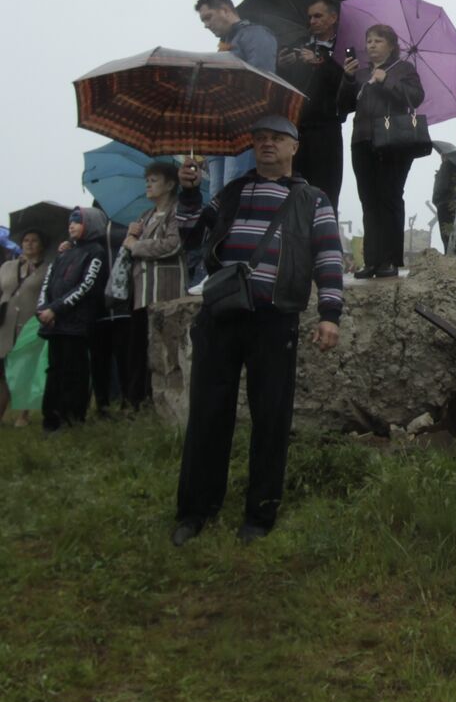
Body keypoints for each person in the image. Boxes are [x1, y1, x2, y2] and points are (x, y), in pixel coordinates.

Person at [171, 114, 343, 546]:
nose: (267, 144)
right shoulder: (230, 192)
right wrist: (189, 191)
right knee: (208, 413)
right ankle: (195, 511)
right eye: (260, 138)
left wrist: (329, 313)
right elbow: (190, 237)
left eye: (277, 138)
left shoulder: (314, 200)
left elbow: (328, 256)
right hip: (222, 316)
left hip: (275, 317)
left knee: (271, 417)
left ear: (294, 147)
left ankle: (260, 514)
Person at [340, 24, 426, 278]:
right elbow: (342, 107)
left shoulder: (404, 69)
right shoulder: (361, 73)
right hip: (362, 141)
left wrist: (386, 80)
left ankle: (389, 260)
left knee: (389, 197)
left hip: (393, 142)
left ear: (391, 45)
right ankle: (372, 261)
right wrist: (346, 79)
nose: (372, 45)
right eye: (369, 41)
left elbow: (416, 97)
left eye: (378, 40)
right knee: (369, 200)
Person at [35, 208, 111, 433]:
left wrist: (56, 309)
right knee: (54, 370)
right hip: (54, 324)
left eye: (77, 222)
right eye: (70, 222)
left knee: (74, 372)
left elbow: (86, 286)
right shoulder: (63, 253)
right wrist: (43, 309)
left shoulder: (96, 252)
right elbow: (47, 283)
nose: (72, 225)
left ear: (91, 224)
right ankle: (51, 419)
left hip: (76, 325)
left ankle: (72, 419)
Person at [195, 0, 279, 190]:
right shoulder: (225, 44)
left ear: (225, 10)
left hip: (243, 125)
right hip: (220, 129)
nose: (206, 25)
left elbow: (262, 81)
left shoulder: (255, 34)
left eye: (208, 17)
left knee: (235, 188)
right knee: (217, 195)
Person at [123, 161, 187, 406]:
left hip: (166, 292)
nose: (148, 185)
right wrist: (131, 236)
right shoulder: (144, 216)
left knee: (165, 351)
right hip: (142, 293)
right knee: (139, 350)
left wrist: (136, 245)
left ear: (170, 184)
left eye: (154, 180)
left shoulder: (177, 211)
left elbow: (173, 244)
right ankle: (138, 401)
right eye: (147, 180)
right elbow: (129, 250)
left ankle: (164, 400)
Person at [277, 0, 347, 210]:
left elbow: (347, 87)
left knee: (325, 193)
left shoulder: (344, 48)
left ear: (333, 18)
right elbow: (285, 86)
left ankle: (323, 240)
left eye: (318, 16)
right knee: (292, 191)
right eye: (310, 17)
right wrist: (283, 66)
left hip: (327, 129)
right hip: (296, 128)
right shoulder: (300, 44)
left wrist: (321, 62)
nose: (313, 21)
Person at [0, 228, 50, 425]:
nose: (29, 243)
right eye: (26, 240)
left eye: (34, 240)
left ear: (42, 245)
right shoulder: (7, 266)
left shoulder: (48, 268)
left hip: (29, 325)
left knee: (26, 368)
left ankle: (23, 415)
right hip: (5, 324)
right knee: (2, 371)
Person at [89, 210, 132, 417]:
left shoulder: (129, 219)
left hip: (124, 303)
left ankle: (128, 401)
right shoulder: (95, 218)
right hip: (98, 306)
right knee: (100, 360)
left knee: (126, 358)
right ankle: (103, 405)